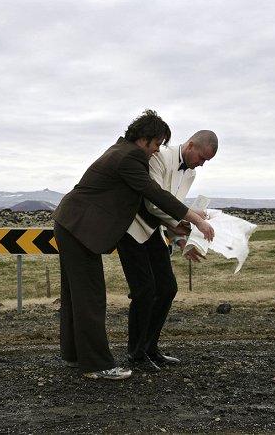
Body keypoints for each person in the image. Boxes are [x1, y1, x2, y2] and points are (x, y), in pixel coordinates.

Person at [52, 110, 214, 380]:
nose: (157, 151)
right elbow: (153, 193)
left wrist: (180, 229)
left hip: (73, 224)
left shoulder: (121, 150)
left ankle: (74, 356)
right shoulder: (131, 156)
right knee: (91, 298)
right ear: (145, 139)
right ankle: (96, 366)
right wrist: (195, 219)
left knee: (76, 297)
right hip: (79, 227)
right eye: (156, 144)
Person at [116, 130, 219, 372]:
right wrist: (193, 221)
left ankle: (150, 348)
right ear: (191, 145)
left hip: (154, 230)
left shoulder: (190, 172)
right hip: (132, 227)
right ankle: (136, 354)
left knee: (167, 288)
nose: (201, 165)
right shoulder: (160, 157)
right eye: (202, 158)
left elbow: (169, 206)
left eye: (206, 161)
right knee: (145, 290)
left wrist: (179, 240)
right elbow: (155, 202)